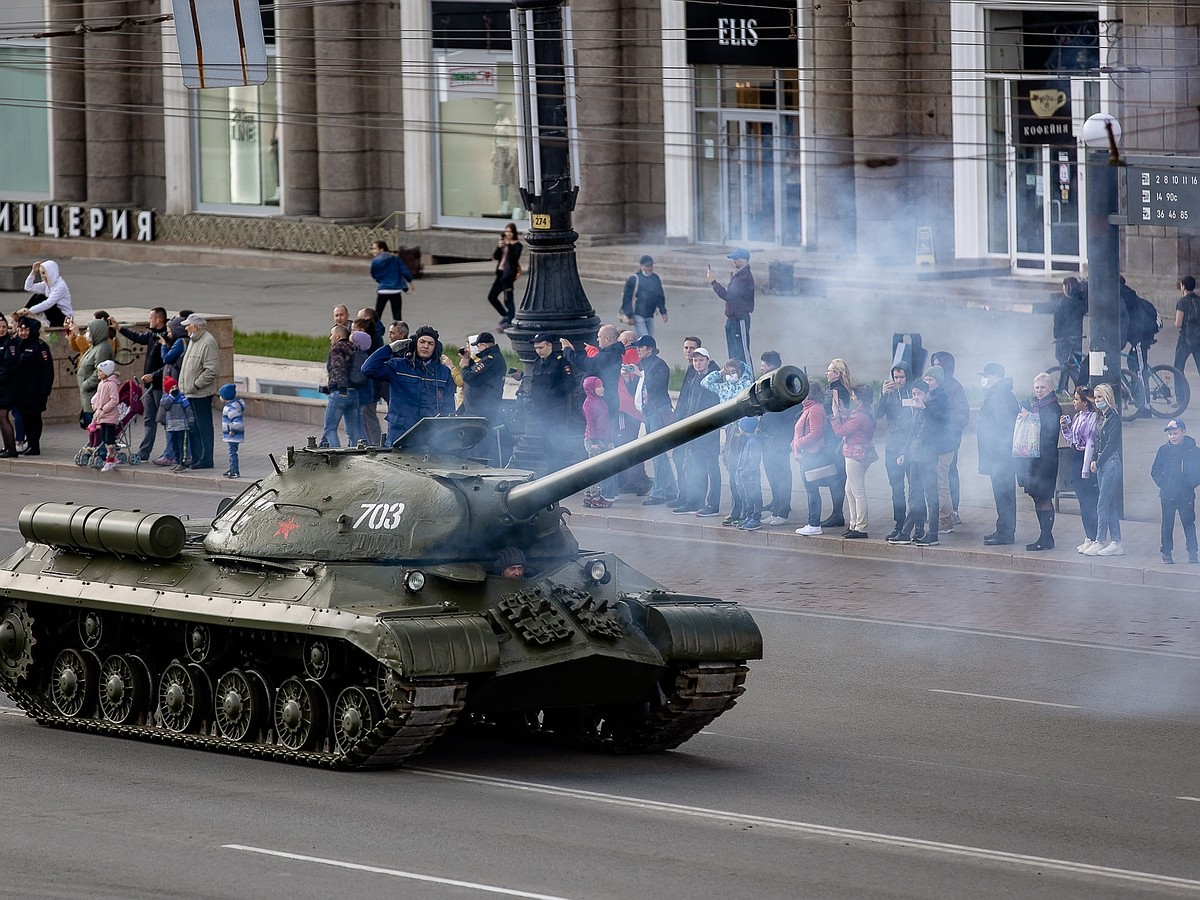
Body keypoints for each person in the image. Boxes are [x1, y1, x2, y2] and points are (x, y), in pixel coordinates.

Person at [362, 325, 455, 445]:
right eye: (422, 342)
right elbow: (368, 369)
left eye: (430, 343)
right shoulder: (399, 366)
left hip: (430, 436)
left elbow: (449, 406)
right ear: (415, 343)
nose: (425, 346)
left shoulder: (443, 372)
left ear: (435, 347)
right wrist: (389, 349)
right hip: (400, 434)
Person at [673, 345, 722, 517]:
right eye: (695, 360)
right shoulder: (694, 376)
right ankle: (695, 501)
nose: (698, 363)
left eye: (701, 360)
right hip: (694, 430)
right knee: (695, 466)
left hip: (708, 432)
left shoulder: (713, 378)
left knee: (711, 468)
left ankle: (712, 504)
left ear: (708, 361)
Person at [1016, 372, 1062, 551]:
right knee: (1037, 497)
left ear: (1050, 388)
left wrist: (1030, 417)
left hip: (1046, 459)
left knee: (1044, 498)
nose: (1040, 391)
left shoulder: (1052, 407)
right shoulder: (1039, 405)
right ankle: (1044, 535)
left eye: (1043, 387)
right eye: (1037, 388)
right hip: (1035, 459)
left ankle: (1046, 537)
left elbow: (1047, 431)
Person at [976, 363, 1019, 546]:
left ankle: (1006, 533)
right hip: (997, 456)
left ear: (996, 377)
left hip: (1002, 456)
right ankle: (1002, 529)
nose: (984, 379)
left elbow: (1003, 427)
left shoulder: (1002, 396)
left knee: (1005, 495)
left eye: (987, 375)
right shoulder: (996, 394)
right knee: (1001, 495)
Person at [119, 306, 169, 462]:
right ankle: (144, 452)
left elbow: (169, 364)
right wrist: (119, 328)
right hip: (149, 386)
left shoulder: (167, 337)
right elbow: (137, 337)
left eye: (151, 318)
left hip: (160, 386)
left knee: (165, 420)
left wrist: (153, 376)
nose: (149, 321)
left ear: (158, 320)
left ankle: (171, 452)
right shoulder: (152, 335)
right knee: (149, 419)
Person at [876, 363, 918, 541]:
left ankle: (915, 525)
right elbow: (877, 414)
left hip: (910, 447)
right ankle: (899, 524)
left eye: (901, 377)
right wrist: (883, 395)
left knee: (914, 489)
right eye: (896, 377)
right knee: (896, 489)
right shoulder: (890, 394)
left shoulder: (913, 392)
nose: (898, 381)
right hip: (892, 446)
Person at [632, 335, 677, 505]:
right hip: (650, 411)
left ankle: (659, 493)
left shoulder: (659, 365)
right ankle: (670, 490)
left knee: (657, 453)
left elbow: (656, 387)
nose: (637, 349)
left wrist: (641, 375)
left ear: (650, 349)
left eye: (641, 347)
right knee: (658, 453)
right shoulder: (646, 364)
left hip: (658, 412)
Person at [831, 383, 876, 539]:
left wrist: (835, 415)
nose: (852, 397)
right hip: (862, 453)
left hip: (854, 454)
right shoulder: (866, 412)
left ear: (860, 399)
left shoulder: (859, 417)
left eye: (854, 395)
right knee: (850, 490)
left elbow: (840, 431)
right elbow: (851, 419)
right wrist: (843, 411)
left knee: (857, 492)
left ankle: (861, 527)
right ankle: (854, 524)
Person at [1151, 419, 1200, 564]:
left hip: (1186, 494)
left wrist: (1191, 484)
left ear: (1183, 432)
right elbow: (1155, 470)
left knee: (1188, 522)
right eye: (1170, 434)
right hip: (1167, 494)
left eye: (1176, 433)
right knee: (1167, 524)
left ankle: (1192, 552)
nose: (1173, 437)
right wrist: (1163, 484)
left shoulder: (1193, 451)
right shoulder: (1163, 450)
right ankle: (1166, 552)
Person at [929, 350, 968, 532]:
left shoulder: (954, 387)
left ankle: (953, 510)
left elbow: (961, 415)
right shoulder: (932, 385)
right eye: (934, 364)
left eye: (939, 364)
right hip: (933, 440)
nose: (936, 368)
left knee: (949, 473)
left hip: (948, 440)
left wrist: (950, 431)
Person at [757, 351, 797, 526]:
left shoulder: (784, 383)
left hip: (779, 437)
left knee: (781, 474)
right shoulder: (769, 381)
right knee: (771, 472)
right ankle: (776, 504)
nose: (761, 368)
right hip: (768, 436)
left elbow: (788, 412)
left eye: (763, 365)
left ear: (771, 366)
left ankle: (783, 511)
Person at [1085, 382, 1124, 556]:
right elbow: (1097, 441)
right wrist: (1094, 460)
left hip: (1110, 463)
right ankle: (1116, 541)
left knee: (1102, 503)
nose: (1097, 400)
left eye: (1100, 396)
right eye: (1096, 396)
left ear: (1108, 397)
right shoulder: (1102, 417)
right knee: (1109, 503)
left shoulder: (1114, 417)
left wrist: (1098, 462)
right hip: (1102, 462)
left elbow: (1111, 444)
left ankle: (1100, 540)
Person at [1060, 386, 1100, 553]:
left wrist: (1087, 466)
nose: (1073, 402)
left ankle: (1097, 536)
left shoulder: (1093, 418)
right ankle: (1088, 536)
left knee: (1090, 500)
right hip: (1076, 457)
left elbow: (1090, 442)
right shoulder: (1077, 416)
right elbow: (1072, 442)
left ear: (1085, 403)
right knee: (1082, 500)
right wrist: (1065, 428)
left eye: (1076, 399)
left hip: (1087, 460)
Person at [177, 314, 220, 470]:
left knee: (203, 426)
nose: (185, 328)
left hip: (200, 394)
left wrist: (195, 385)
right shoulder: (194, 340)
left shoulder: (208, 342)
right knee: (193, 427)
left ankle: (206, 459)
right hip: (190, 393)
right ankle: (196, 457)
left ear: (195, 326)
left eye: (188, 325)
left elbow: (212, 370)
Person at [9, 317, 54, 456]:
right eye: (21, 329)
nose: (23, 333)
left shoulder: (40, 346)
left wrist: (43, 392)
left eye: (26, 330)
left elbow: (47, 371)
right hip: (20, 390)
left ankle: (35, 445)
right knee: (24, 418)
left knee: (34, 418)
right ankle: (30, 443)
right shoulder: (16, 344)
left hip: (35, 391)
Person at [792, 381, 832, 536]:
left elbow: (816, 434)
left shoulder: (814, 409)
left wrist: (798, 444)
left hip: (811, 455)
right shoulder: (810, 408)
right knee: (811, 490)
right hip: (807, 454)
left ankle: (814, 523)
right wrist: (795, 445)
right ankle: (812, 523)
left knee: (811, 490)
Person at [820, 358, 856, 529]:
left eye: (829, 370)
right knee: (837, 477)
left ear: (837, 373)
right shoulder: (837, 389)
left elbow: (833, 412)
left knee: (837, 477)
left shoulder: (837, 391)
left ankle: (837, 514)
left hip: (834, 438)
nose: (826, 373)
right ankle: (837, 513)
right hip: (834, 436)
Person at [706, 248, 754, 365]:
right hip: (732, 319)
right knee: (733, 354)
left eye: (736, 259)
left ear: (744, 260)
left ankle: (749, 378)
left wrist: (713, 282)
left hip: (740, 318)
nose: (734, 261)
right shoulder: (738, 275)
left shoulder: (744, 277)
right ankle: (736, 378)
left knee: (742, 352)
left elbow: (729, 295)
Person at [580, 376, 613, 508]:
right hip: (594, 440)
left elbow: (605, 423)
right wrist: (594, 441)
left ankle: (588, 497)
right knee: (595, 470)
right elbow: (591, 423)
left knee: (593, 468)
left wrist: (609, 440)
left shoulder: (599, 402)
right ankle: (596, 498)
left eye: (602, 386)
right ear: (591, 389)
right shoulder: (589, 403)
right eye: (599, 387)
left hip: (601, 438)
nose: (602, 389)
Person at [76, 317, 114, 428]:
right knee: (91, 427)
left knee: (95, 428)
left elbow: (100, 371)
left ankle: (97, 445)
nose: (87, 333)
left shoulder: (102, 349)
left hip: (93, 395)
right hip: (88, 396)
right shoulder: (95, 346)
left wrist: (86, 384)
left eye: (89, 331)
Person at [1053, 276, 1088, 391]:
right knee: (1072, 364)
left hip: (1065, 339)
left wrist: (1057, 336)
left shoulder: (1063, 303)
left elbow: (1058, 322)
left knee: (1065, 365)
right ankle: (1064, 389)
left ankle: (1065, 389)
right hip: (1077, 337)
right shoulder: (1080, 301)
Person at [621, 255, 668, 338]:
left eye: (651, 266)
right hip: (638, 314)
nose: (650, 268)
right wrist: (630, 315)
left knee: (649, 338)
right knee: (644, 338)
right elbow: (627, 298)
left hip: (650, 314)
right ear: (641, 266)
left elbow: (659, 296)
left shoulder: (655, 278)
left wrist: (663, 312)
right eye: (647, 266)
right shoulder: (634, 279)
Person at [487, 223, 523, 331]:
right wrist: (499, 246)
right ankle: (506, 315)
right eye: (506, 231)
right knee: (492, 297)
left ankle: (510, 320)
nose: (508, 234)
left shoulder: (517, 245)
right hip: (500, 273)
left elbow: (514, 258)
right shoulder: (504, 244)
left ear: (514, 233)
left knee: (508, 299)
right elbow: (496, 256)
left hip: (509, 275)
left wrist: (510, 246)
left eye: (510, 232)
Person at [732, 417, 764, 530]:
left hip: (751, 477)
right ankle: (749, 516)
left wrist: (745, 472)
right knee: (748, 498)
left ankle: (756, 518)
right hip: (745, 477)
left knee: (754, 497)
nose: (738, 429)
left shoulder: (753, 441)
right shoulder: (746, 440)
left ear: (745, 428)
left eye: (740, 427)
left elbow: (754, 461)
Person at [369, 240, 413, 323]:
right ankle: (400, 333)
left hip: (383, 289)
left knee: (378, 314)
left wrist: (381, 280)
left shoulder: (375, 261)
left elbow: (374, 274)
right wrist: (410, 281)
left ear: (381, 249)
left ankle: (375, 332)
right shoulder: (395, 259)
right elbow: (404, 271)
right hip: (395, 290)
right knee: (397, 315)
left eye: (375, 249)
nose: (373, 251)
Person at [90, 359, 121, 472]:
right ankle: (113, 458)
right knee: (104, 437)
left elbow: (114, 400)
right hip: (102, 416)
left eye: (100, 371)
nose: (98, 373)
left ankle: (110, 460)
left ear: (106, 372)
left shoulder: (111, 384)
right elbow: (98, 396)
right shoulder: (102, 384)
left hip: (109, 416)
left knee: (109, 439)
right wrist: (94, 403)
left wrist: (104, 408)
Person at [23, 260, 73, 327]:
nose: (42, 276)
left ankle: (22, 318)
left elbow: (48, 303)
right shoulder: (47, 284)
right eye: (41, 274)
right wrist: (33, 272)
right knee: (36, 296)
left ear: (51, 272)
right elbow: (28, 287)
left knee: (41, 298)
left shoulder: (60, 286)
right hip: (54, 315)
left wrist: (29, 311)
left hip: (64, 318)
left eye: (44, 273)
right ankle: (21, 318)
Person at [156, 376, 188, 467]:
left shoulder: (182, 397)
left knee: (181, 445)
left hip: (181, 425)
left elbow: (188, 409)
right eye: (172, 387)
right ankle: (177, 462)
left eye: (175, 387)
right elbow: (165, 405)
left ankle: (182, 463)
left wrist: (190, 420)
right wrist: (171, 396)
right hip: (171, 426)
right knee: (174, 445)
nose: (174, 389)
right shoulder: (166, 397)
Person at [216, 383, 245, 478]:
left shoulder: (231, 408)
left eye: (221, 395)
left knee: (232, 453)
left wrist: (232, 430)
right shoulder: (233, 406)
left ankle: (235, 470)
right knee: (231, 452)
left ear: (225, 397)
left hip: (233, 435)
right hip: (232, 435)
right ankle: (232, 468)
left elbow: (238, 422)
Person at [1174, 276, 1200, 378]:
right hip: (1198, 338)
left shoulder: (1182, 302)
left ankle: (1181, 393)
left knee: (1178, 367)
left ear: (1183, 286)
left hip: (1185, 339)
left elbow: (1178, 323)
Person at [0, 317, 15, 457]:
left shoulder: (9, 343)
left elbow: (8, 367)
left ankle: (11, 449)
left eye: (4, 326)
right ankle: (6, 447)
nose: (2, 329)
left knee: (3, 416)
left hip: (5, 387)